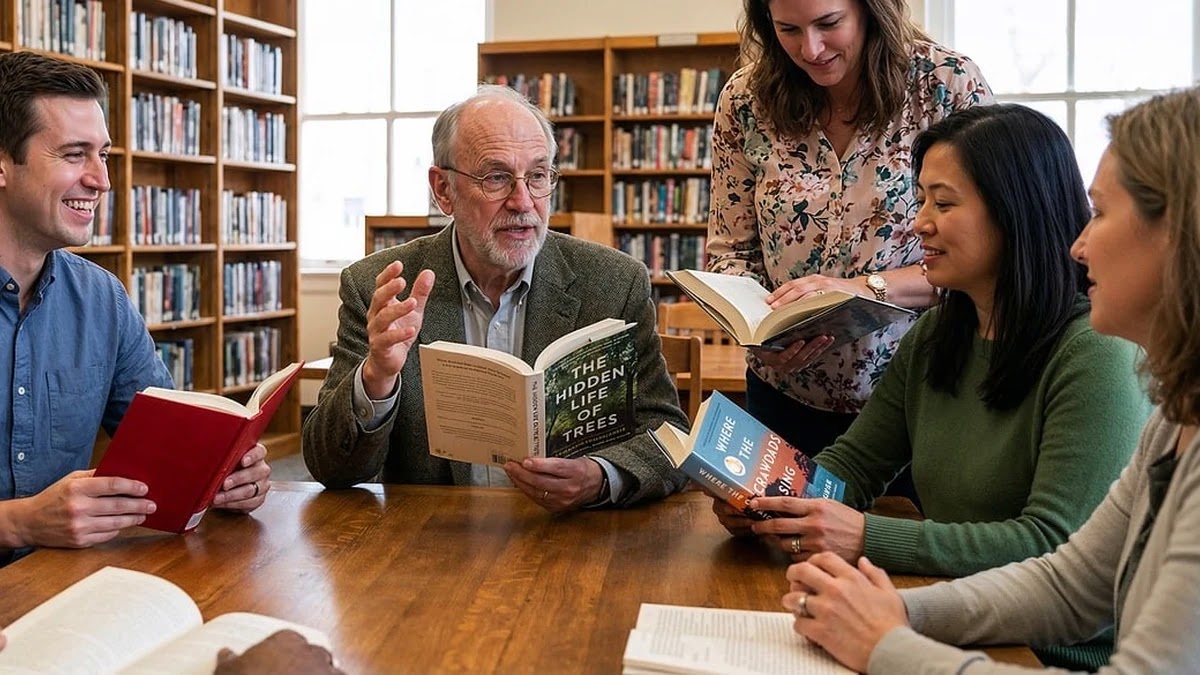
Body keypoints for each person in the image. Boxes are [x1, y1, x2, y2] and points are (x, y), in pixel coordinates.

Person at [780, 88, 1200, 673]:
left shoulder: (1095, 358)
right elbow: (1069, 583)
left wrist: (885, 638)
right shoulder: (1177, 424)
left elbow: (1052, 551)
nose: (1080, 242)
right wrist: (894, 612)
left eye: (1100, 213)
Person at [302, 85, 689, 510]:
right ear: (443, 189)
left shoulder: (614, 284)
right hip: (430, 549)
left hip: (573, 543)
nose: (523, 202)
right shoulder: (380, 287)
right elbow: (330, 468)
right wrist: (376, 377)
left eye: (538, 176)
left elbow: (669, 437)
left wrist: (600, 476)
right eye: (496, 177)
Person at [707, 0, 993, 487]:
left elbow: (990, 253)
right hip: (783, 392)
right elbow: (730, 251)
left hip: (922, 391)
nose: (810, 49)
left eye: (829, 24)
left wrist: (867, 288)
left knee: (905, 548)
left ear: (871, 11)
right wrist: (760, 327)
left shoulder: (945, 83)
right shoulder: (745, 99)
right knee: (773, 546)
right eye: (788, 30)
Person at [0, 51, 270, 564]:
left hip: (62, 591)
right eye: (75, 154)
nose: (101, 180)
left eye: (103, 154)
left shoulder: (103, 300)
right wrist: (19, 521)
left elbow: (173, 454)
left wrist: (227, 478)